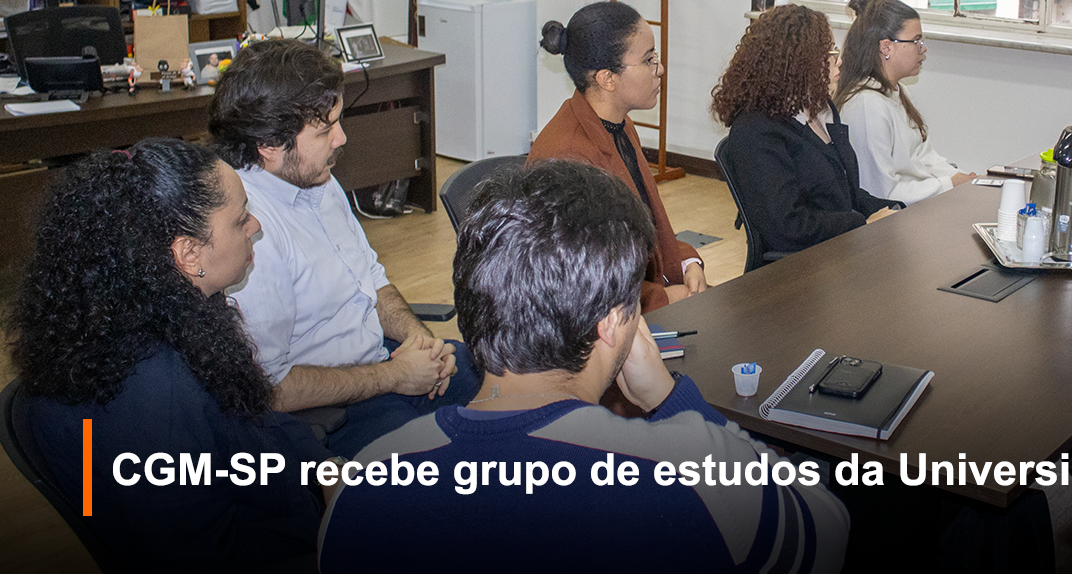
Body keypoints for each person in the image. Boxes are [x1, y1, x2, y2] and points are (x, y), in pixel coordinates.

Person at [318, 159, 851, 572]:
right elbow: (828, 531)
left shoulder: (360, 487)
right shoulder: (693, 465)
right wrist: (669, 399)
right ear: (614, 324)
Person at [9, 138, 330, 569]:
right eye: (240, 220)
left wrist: (326, 469)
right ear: (188, 253)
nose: (256, 225)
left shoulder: (156, 308)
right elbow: (213, 557)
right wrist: (327, 513)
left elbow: (253, 418)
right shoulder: (157, 396)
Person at [209, 39, 477, 458]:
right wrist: (393, 376)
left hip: (381, 362)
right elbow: (270, 388)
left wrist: (418, 341)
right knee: (447, 471)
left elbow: (371, 280)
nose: (341, 138)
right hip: (331, 410)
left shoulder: (316, 178)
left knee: (508, 385)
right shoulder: (248, 231)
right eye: (324, 129)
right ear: (268, 145)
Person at [529, 1, 705, 312]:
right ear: (607, 79)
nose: (660, 68)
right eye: (649, 60)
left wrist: (689, 261)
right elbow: (582, 283)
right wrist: (663, 299)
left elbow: (648, 228)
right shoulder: (567, 157)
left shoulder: (617, 124)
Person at [712, 4, 902, 262]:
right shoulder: (756, 132)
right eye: (831, 53)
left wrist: (891, 211)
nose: (840, 60)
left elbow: (847, 193)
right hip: (799, 271)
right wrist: (862, 224)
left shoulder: (820, 111)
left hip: (838, 252)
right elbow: (788, 228)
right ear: (800, 61)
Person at [836, 0, 977, 204]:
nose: (923, 48)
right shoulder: (866, 105)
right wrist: (948, 185)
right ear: (886, 48)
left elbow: (924, 157)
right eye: (916, 41)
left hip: (915, 206)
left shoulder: (897, 91)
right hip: (889, 221)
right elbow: (881, 192)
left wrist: (960, 179)